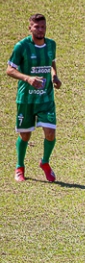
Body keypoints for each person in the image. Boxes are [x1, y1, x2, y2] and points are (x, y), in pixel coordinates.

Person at [6, 14, 61, 183]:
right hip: (26, 100)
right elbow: (9, 70)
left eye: (43, 27)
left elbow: (51, 62)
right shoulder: (21, 46)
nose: (40, 30)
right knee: (25, 136)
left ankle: (45, 163)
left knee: (50, 133)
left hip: (46, 98)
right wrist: (28, 78)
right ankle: (19, 167)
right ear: (29, 27)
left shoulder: (51, 44)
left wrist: (54, 76)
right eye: (37, 27)